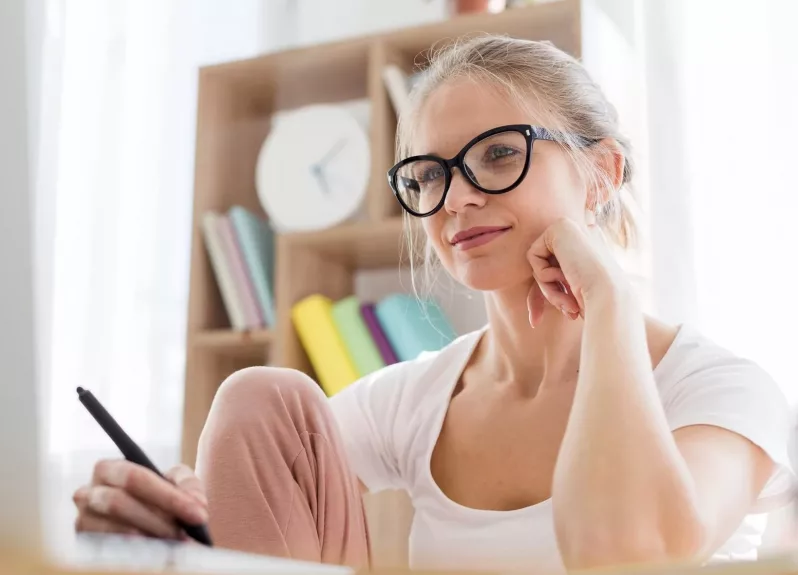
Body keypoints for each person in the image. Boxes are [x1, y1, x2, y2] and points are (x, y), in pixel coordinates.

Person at [71, 35, 795, 573]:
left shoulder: (721, 390)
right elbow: (257, 488)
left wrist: (607, 303)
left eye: (499, 154)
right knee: (259, 397)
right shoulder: (422, 397)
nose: (458, 197)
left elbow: (625, 555)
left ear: (601, 173)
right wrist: (166, 512)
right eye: (428, 175)